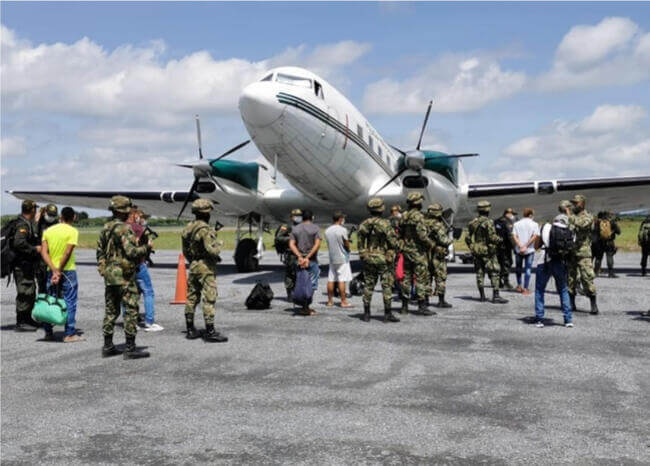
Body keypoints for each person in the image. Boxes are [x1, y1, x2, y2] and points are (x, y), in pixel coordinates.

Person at [97, 195, 153, 359]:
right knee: (131, 310)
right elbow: (131, 252)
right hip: (125, 275)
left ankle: (108, 346)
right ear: (124, 211)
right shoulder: (124, 229)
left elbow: (100, 253)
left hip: (110, 275)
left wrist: (103, 269)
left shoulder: (105, 228)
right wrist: (146, 248)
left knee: (110, 310)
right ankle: (130, 347)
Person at [181, 199, 228, 342]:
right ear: (207, 213)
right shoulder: (205, 230)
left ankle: (190, 329)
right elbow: (211, 250)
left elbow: (185, 251)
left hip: (194, 266)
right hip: (206, 267)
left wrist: (194, 260)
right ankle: (210, 331)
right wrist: (219, 244)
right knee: (209, 298)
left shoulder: (187, 227)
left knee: (191, 298)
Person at [40, 207, 85, 342]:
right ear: (74, 217)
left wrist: (53, 269)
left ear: (60, 216)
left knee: (50, 300)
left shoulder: (48, 231)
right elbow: (67, 252)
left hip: (51, 270)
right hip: (68, 270)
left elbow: (43, 252)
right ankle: (69, 333)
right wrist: (59, 270)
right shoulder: (72, 231)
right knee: (70, 301)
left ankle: (48, 332)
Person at [357, 198, 400, 323]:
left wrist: (363, 254)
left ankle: (366, 313)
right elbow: (392, 242)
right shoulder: (386, 224)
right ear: (381, 209)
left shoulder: (364, 224)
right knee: (387, 286)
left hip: (369, 258)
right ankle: (387, 314)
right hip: (384, 259)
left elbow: (360, 242)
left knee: (368, 285)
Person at [532, 214, 573, 328]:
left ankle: (539, 318)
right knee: (563, 290)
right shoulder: (570, 231)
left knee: (540, 290)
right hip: (561, 262)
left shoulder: (546, 227)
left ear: (555, 220)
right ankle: (568, 319)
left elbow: (536, 246)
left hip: (544, 261)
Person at [399, 192, 435, 316]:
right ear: (417, 202)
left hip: (407, 250)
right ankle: (421, 306)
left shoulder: (403, 216)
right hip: (418, 252)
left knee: (406, 278)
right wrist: (430, 243)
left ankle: (404, 306)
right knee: (421, 279)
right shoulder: (419, 216)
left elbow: (400, 233)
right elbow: (422, 235)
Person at [466, 200, 508, 304]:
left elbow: (467, 237)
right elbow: (492, 237)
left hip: (477, 250)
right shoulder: (489, 222)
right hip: (488, 251)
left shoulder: (472, 223)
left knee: (479, 273)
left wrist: (472, 246)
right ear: (488, 210)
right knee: (494, 271)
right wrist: (501, 240)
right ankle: (496, 295)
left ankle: (482, 296)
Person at [128, 208, 163, 332]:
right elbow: (142, 246)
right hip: (139, 264)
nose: (142, 219)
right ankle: (149, 321)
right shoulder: (137, 228)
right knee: (148, 292)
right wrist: (148, 245)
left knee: (130, 294)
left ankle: (131, 321)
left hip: (125, 266)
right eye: (141, 216)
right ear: (134, 214)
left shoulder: (121, 227)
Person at [11, 200, 42, 332]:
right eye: (35, 208)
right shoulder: (22, 224)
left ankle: (27, 318)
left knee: (30, 291)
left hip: (27, 265)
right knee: (24, 292)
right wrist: (35, 249)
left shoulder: (27, 222)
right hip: (21, 265)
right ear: (32, 209)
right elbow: (19, 243)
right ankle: (21, 322)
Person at [566, 194, 599, 315]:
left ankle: (593, 305)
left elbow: (582, 224)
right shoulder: (573, 217)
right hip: (572, 252)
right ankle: (571, 304)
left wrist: (569, 215)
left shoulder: (588, 216)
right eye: (573, 203)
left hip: (584, 253)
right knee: (571, 279)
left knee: (587, 278)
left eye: (577, 203)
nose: (574, 205)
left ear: (583, 204)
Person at [289, 209, 321, 316]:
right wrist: (307, 257)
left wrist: (300, 256)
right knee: (311, 284)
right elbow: (317, 245)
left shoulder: (295, 229)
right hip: (311, 260)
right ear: (312, 217)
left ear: (302, 217)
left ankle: (303, 306)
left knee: (301, 283)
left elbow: (291, 244)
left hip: (299, 261)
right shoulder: (315, 228)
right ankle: (306, 307)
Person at [425, 203, 453, 308]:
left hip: (426, 254)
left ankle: (425, 300)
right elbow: (443, 240)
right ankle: (441, 301)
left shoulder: (423, 223)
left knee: (427, 278)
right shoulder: (438, 225)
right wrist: (450, 238)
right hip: (438, 255)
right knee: (440, 277)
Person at [324, 211, 352, 308]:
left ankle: (330, 301)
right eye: (342, 218)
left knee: (331, 279)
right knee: (342, 280)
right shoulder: (342, 230)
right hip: (342, 257)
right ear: (340, 219)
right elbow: (346, 243)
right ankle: (343, 301)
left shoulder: (327, 230)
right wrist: (349, 247)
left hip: (332, 257)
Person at [274, 209, 302, 301]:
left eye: (300, 215)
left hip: (301, 254)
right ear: (291, 217)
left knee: (300, 274)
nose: (298, 217)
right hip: (291, 255)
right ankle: (290, 293)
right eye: (296, 215)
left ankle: (298, 292)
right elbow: (279, 237)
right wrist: (291, 238)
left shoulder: (302, 226)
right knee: (290, 274)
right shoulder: (286, 226)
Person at [512, 208, 540, 295]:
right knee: (528, 269)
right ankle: (525, 288)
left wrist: (520, 245)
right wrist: (526, 246)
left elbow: (514, 236)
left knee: (518, 268)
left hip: (518, 249)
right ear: (530, 215)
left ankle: (519, 285)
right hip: (529, 249)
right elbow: (535, 236)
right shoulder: (534, 224)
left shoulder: (516, 224)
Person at [35, 204, 59, 294]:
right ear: (45, 212)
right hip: (40, 258)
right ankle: (42, 304)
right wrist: (38, 217)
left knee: (54, 286)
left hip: (53, 257)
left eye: (53, 215)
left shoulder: (57, 223)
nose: (51, 217)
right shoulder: (39, 222)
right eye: (50, 215)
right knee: (41, 285)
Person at [592, 211, 621, 278]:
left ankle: (596, 272)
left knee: (598, 257)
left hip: (600, 242)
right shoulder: (612, 222)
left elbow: (595, 232)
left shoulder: (598, 222)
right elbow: (619, 232)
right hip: (609, 242)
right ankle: (610, 273)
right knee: (609, 257)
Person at [494, 208, 516, 290]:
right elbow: (509, 236)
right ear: (508, 214)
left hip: (497, 247)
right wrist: (514, 246)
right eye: (512, 214)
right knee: (507, 263)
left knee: (499, 264)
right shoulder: (507, 222)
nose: (512, 216)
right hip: (506, 247)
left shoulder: (496, 221)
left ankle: (499, 281)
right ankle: (506, 281)